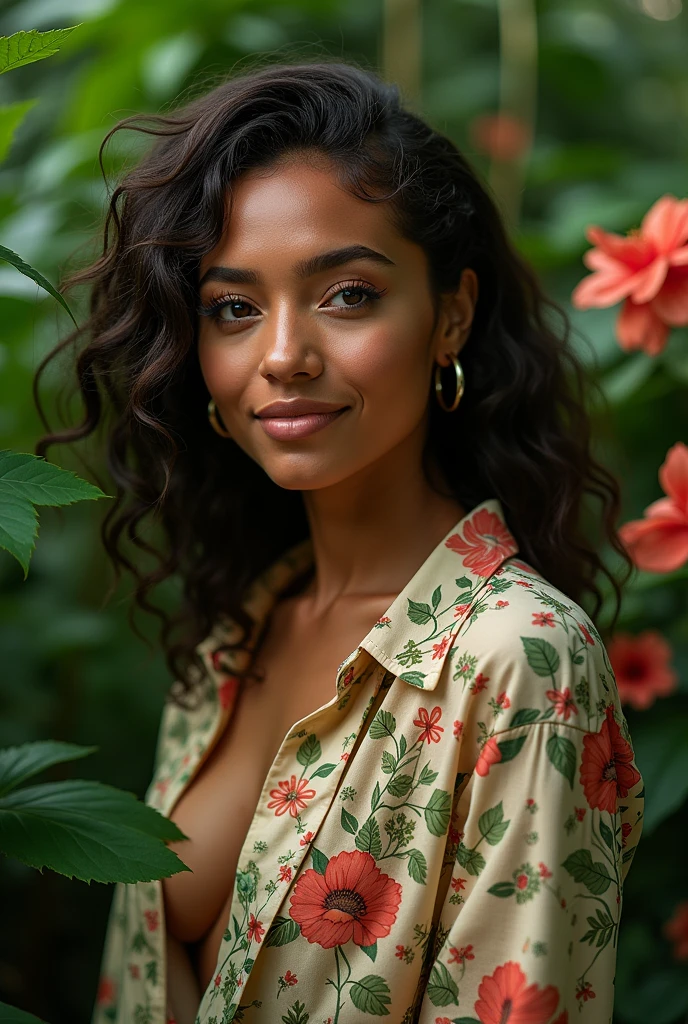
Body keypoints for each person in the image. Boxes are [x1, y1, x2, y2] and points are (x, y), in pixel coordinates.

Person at [35, 60, 644, 1024]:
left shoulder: (519, 662)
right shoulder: (236, 632)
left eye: (347, 295)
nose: (282, 355)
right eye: (234, 308)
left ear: (451, 314)